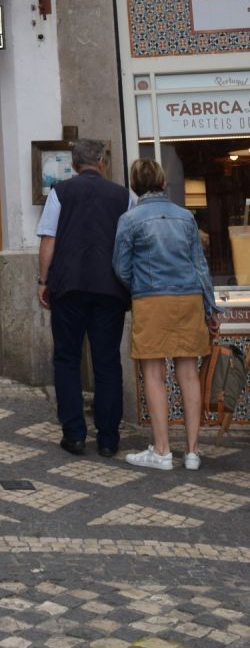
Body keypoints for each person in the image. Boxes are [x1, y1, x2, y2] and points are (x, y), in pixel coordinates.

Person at [113, 159, 219, 472]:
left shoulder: (129, 219)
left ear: (134, 184)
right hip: (188, 299)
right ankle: (192, 451)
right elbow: (201, 266)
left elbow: (120, 266)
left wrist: (140, 285)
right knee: (188, 374)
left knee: (154, 375)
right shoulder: (186, 217)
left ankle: (161, 450)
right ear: (162, 181)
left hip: (151, 299)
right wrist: (210, 307)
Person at [37, 138, 132, 458]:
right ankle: (108, 438)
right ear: (102, 162)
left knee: (67, 359)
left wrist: (42, 280)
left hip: (69, 285)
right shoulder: (124, 195)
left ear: (74, 164)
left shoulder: (60, 192)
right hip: (111, 288)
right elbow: (129, 242)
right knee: (107, 361)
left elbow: (48, 239)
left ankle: (75, 434)